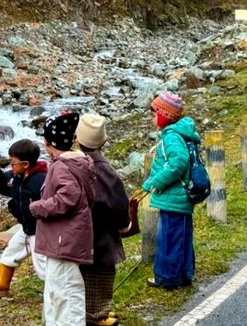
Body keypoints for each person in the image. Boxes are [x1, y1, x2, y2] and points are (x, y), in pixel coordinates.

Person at [30, 110, 96, 326]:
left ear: (47, 142)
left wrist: (38, 206)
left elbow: (68, 198)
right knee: (57, 289)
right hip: (65, 237)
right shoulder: (79, 162)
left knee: (66, 290)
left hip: (64, 239)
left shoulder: (61, 166)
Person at [142, 91, 200, 290]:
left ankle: (167, 277)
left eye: (154, 113)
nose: (152, 118)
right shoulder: (179, 133)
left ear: (163, 115)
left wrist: (155, 181)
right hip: (180, 197)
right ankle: (184, 273)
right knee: (181, 236)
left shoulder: (171, 137)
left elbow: (178, 162)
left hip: (172, 197)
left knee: (168, 237)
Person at [76, 113, 130, 326]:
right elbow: (119, 204)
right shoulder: (106, 171)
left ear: (77, 140)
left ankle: (93, 315)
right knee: (101, 277)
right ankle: (98, 314)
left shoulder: (72, 166)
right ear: (105, 142)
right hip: (103, 236)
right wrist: (124, 223)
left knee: (84, 280)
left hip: (81, 237)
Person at [0, 137, 48, 292]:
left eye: (13, 163)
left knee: (42, 264)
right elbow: (4, 188)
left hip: (39, 230)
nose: (10, 166)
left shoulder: (41, 181)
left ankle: (53, 288)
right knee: (11, 252)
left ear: (25, 164)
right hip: (25, 227)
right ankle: (3, 282)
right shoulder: (15, 177)